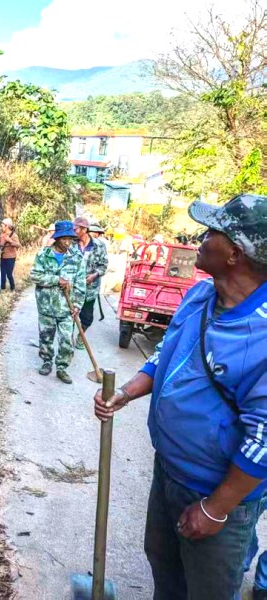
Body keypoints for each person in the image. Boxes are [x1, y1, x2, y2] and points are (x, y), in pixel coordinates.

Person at [94, 194, 267, 600]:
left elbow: (265, 439)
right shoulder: (199, 296)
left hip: (216, 491)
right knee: (164, 567)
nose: (202, 237)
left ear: (234, 254)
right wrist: (126, 391)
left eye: (213, 232)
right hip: (169, 471)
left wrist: (216, 508)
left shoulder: (261, 334)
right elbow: (166, 353)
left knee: (206, 590)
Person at [30, 221, 86, 384]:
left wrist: (77, 306)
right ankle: (47, 361)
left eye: (71, 239)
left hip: (66, 308)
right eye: (65, 239)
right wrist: (56, 279)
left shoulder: (76, 258)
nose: (68, 242)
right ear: (57, 238)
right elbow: (34, 276)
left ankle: (62, 368)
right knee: (46, 337)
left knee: (67, 340)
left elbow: (81, 283)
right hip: (46, 305)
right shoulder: (43, 255)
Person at [74, 216, 108, 349]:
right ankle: (66, 337)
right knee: (70, 313)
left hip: (90, 288)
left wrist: (93, 276)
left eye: (75, 228)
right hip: (72, 288)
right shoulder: (71, 243)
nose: (73, 231)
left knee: (87, 317)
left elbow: (103, 266)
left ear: (84, 229)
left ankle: (81, 335)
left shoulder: (99, 245)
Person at [0, 218, 21, 291]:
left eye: (2, 226)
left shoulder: (13, 235)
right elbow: (1, 244)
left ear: (7, 226)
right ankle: (2, 288)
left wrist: (10, 240)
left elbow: (18, 245)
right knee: (2, 273)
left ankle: (12, 287)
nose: (1, 227)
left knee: (9, 273)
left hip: (11, 257)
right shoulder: (2, 235)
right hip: (3, 256)